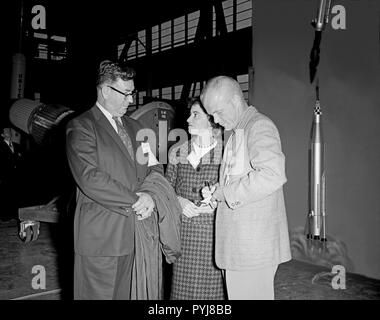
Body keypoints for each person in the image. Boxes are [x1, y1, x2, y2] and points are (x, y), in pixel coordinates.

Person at [66, 60, 165, 299]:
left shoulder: (136, 126)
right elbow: (90, 177)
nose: (131, 100)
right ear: (106, 91)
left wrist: (152, 195)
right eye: (126, 94)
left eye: (133, 93)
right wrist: (136, 201)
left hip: (136, 236)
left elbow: (154, 166)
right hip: (102, 240)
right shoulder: (82, 127)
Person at [200, 76, 291, 300]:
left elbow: (272, 174)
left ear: (234, 102)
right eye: (211, 115)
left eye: (218, 112)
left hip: (251, 249)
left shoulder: (258, 126)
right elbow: (242, 178)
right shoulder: (240, 130)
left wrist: (227, 193)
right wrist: (218, 191)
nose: (215, 120)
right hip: (242, 249)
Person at [165, 97, 225, 300]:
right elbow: (165, 190)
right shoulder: (177, 151)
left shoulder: (227, 153)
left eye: (196, 115)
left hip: (213, 238)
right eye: (190, 114)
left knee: (212, 296)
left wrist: (217, 205)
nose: (188, 119)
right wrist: (178, 202)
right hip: (184, 239)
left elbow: (237, 193)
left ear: (211, 120)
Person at [0, 127, 22, 221]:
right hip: (5, 176)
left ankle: (14, 215)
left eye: (9, 131)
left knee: (14, 196)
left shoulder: (16, 145)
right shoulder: (0, 147)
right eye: (6, 132)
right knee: (5, 197)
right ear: (2, 135)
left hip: (15, 176)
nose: (9, 132)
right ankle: (5, 216)